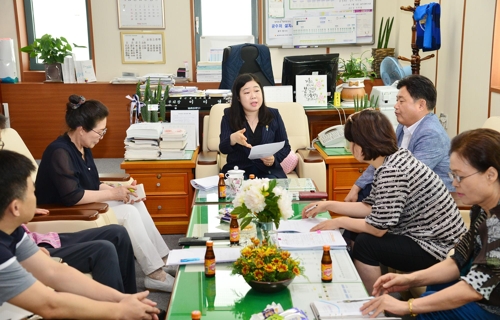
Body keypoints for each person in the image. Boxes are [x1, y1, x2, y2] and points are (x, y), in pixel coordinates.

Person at [302, 109, 467, 293]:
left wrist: (337, 221)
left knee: (366, 243)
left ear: (362, 144)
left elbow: (377, 229)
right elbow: (370, 207)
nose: (350, 147)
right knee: (355, 231)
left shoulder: (392, 171)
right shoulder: (393, 160)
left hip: (436, 246)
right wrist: (329, 205)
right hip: (428, 236)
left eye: (351, 142)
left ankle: (377, 302)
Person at [34, 95, 175, 292]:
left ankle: (163, 260)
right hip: (64, 210)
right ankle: (155, 275)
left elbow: (90, 183)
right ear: (82, 129)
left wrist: (121, 191)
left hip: (83, 204)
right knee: (128, 213)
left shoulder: (83, 146)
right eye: (100, 132)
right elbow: (73, 196)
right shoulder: (59, 152)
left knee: (134, 204)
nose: (101, 137)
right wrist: (113, 194)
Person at [0, 149, 160, 319]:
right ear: (15, 207)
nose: (36, 197)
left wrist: (123, 299)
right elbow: (49, 305)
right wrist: (119, 311)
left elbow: (54, 271)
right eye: (32, 192)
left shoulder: (12, 231)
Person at [362, 128, 500, 319]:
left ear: (490, 175)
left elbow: (476, 288)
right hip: (481, 291)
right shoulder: (481, 209)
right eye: (452, 175)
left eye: (460, 176)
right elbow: (459, 259)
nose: (454, 184)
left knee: (430, 310)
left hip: (492, 306)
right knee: (433, 291)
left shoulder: (497, 224)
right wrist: (410, 279)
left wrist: (408, 306)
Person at [0, 113, 135, 294]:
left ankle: (133, 300)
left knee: (117, 233)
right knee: (103, 249)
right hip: (29, 249)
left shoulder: (83, 148)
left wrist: (26, 210)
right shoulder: (59, 151)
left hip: (33, 240)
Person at [345, 74, 453, 202]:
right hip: (400, 188)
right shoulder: (403, 126)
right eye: (397, 100)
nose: (395, 106)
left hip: (427, 199)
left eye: (401, 101)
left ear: (421, 105)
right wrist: (357, 186)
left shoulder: (431, 134)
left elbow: (410, 176)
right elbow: (380, 158)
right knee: (361, 195)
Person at [219, 73, 292, 179]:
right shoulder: (229, 116)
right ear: (238, 97)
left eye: (257, 91)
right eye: (247, 92)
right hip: (239, 172)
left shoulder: (273, 115)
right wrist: (233, 138)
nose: (254, 96)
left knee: (272, 191)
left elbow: (285, 147)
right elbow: (223, 148)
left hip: (268, 172)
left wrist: (273, 159)